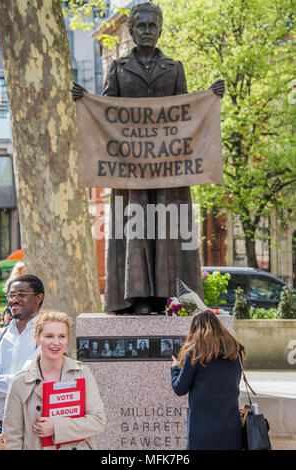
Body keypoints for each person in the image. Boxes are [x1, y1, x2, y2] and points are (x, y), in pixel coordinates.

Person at [72, 2, 225, 315]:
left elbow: (187, 114)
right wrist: (86, 101)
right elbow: (106, 115)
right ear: (131, 30)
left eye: (152, 25)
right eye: (140, 26)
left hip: (169, 169)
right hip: (129, 170)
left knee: (168, 228)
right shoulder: (117, 68)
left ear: (160, 28)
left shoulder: (174, 68)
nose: (146, 31)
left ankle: (168, 298)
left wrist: (209, 97)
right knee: (135, 228)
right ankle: (136, 298)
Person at [2, 310, 106, 450]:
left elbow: (98, 421)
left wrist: (56, 428)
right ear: (37, 338)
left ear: (67, 339)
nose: (56, 343)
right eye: (49, 336)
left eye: (61, 336)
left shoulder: (82, 373)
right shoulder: (19, 382)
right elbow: (12, 438)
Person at [170, 310, 244, 450]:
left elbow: (179, 388)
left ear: (195, 330)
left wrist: (174, 368)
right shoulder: (236, 351)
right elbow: (235, 381)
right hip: (231, 429)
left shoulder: (195, 352)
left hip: (202, 431)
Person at [0, 274, 44, 437]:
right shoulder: (0, 336)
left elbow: (25, 383)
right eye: (11, 295)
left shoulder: (47, 335)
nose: (14, 300)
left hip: (31, 431)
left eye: (21, 295)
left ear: (38, 298)